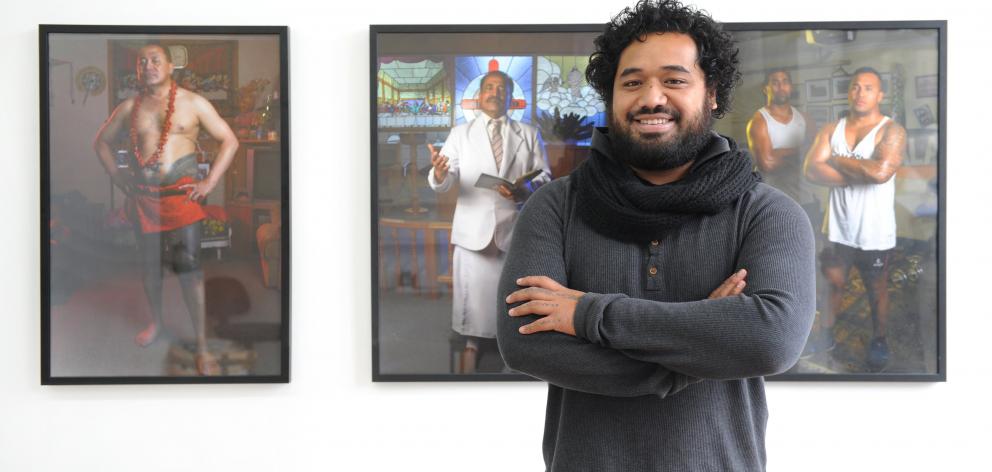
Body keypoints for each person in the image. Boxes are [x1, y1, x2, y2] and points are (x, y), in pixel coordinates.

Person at [495, 1, 815, 470]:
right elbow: (525, 341)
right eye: (632, 82)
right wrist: (703, 343)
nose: (651, 97)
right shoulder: (556, 206)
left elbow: (771, 340)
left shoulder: (767, 213)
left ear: (713, 94)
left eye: (674, 79)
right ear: (611, 95)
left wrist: (586, 314)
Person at [93, 43, 239, 375]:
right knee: (149, 270)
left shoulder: (194, 103)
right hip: (144, 200)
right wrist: (116, 175)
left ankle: (202, 346)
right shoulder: (130, 107)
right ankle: (156, 323)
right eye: (142, 61)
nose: (148, 65)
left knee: (189, 272)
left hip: (182, 200)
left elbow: (229, 141)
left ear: (171, 67)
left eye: (156, 60)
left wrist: (209, 183)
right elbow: (100, 141)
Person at [427, 70, 551, 373]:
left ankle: (511, 347)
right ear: (480, 96)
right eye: (489, 88)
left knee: (511, 295)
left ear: (510, 98)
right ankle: (471, 342)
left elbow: (545, 176)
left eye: (501, 89)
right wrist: (440, 174)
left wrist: (524, 189)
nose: (495, 93)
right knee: (473, 297)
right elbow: (445, 177)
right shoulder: (460, 134)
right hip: (474, 230)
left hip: (514, 228)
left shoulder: (529, 132)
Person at [803, 67, 906, 370]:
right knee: (832, 285)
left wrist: (835, 159)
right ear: (849, 92)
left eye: (869, 88)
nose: (860, 93)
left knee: (877, 288)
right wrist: (853, 174)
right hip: (837, 228)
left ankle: (879, 339)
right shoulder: (831, 128)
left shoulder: (891, 131)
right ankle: (826, 335)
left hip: (875, 232)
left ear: (880, 95)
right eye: (856, 87)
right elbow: (810, 169)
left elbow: (880, 172)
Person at [746, 69, 820, 224]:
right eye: (775, 82)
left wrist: (779, 153)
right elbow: (767, 164)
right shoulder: (758, 121)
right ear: (765, 88)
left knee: (812, 243)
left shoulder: (805, 118)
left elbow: (814, 157)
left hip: (805, 197)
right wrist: (801, 152)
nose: (781, 86)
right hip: (773, 200)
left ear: (791, 87)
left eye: (785, 81)